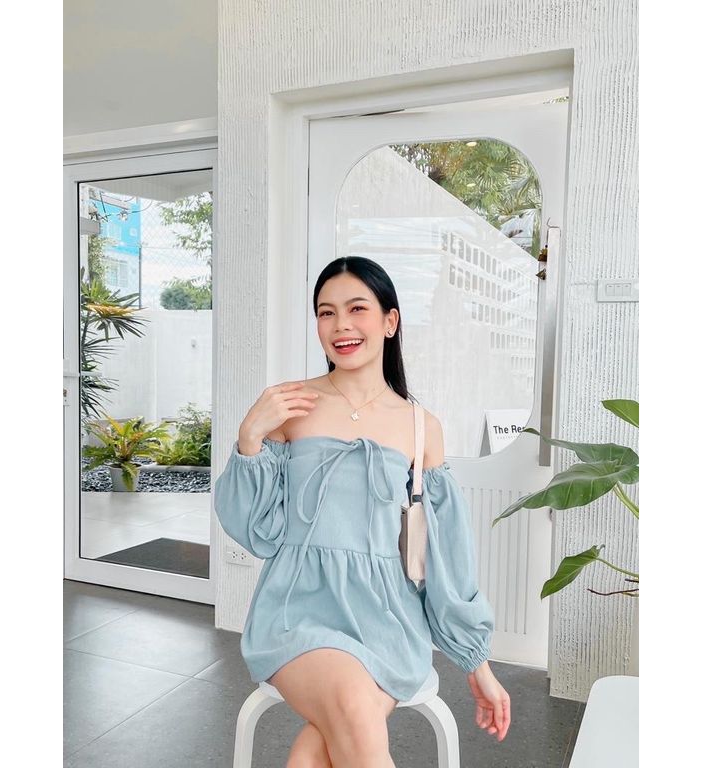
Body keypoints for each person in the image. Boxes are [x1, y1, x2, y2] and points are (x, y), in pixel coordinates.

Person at [215, 256, 511, 767]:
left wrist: (476, 662)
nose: (341, 326)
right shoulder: (291, 406)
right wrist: (249, 438)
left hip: (388, 618)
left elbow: (443, 556)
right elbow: (256, 531)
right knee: (353, 707)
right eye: (326, 313)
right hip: (298, 610)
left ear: (389, 321)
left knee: (313, 753)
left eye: (357, 309)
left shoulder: (421, 427)